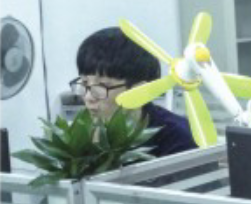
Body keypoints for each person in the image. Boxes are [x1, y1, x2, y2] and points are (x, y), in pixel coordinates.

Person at [73, 27, 196, 157]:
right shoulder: (82, 133)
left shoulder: (180, 141)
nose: (88, 97)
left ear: (140, 92)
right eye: (85, 83)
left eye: (102, 86)